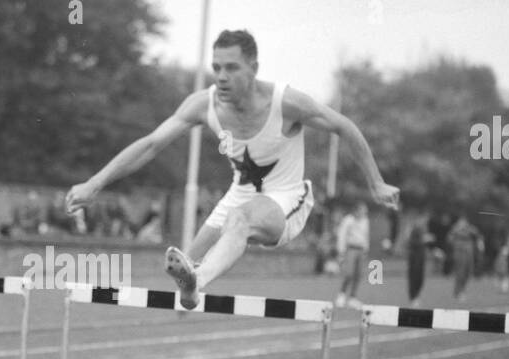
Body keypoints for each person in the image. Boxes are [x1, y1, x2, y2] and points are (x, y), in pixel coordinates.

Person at [65, 29, 399, 309]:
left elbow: (344, 127)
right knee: (188, 257)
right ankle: (192, 287)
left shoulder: (286, 103)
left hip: (286, 199)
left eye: (232, 68)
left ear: (253, 67)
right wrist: (95, 183)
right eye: (216, 67)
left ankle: (197, 280)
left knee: (238, 222)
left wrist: (377, 182)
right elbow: (152, 144)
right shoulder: (203, 104)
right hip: (239, 195)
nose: (221, 77)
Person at [335, 201, 369, 308]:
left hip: (360, 249)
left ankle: (353, 297)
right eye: (362, 210)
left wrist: (366, 249)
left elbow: (366, 236)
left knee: (358, 275)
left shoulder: (365, 221)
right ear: (357, 210)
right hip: (351, 249)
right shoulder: (348, 220)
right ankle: (342, 294)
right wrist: (341, 251)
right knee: (349, 273)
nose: (364, 212)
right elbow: (342, 235)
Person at [446, 213, 483, 303]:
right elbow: (449, 239)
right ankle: (458, 292)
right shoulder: (455, 229)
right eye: (461, 222)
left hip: (469, 254)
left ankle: (462, 291)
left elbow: (478, 235)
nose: (463, 223)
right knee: (460, 273)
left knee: (467, 273)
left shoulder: (470, 229)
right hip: (460, 253)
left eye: (464, 222)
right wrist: (457, 240)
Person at [406, 215, 433, 306]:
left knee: (420, 278)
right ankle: (413, 297)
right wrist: (424, 240)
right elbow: (411, 242)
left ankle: (416, 296)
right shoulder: (414, 230)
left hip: (421, 256)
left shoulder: (423, 229)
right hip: (414, 256)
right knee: (414, 277)